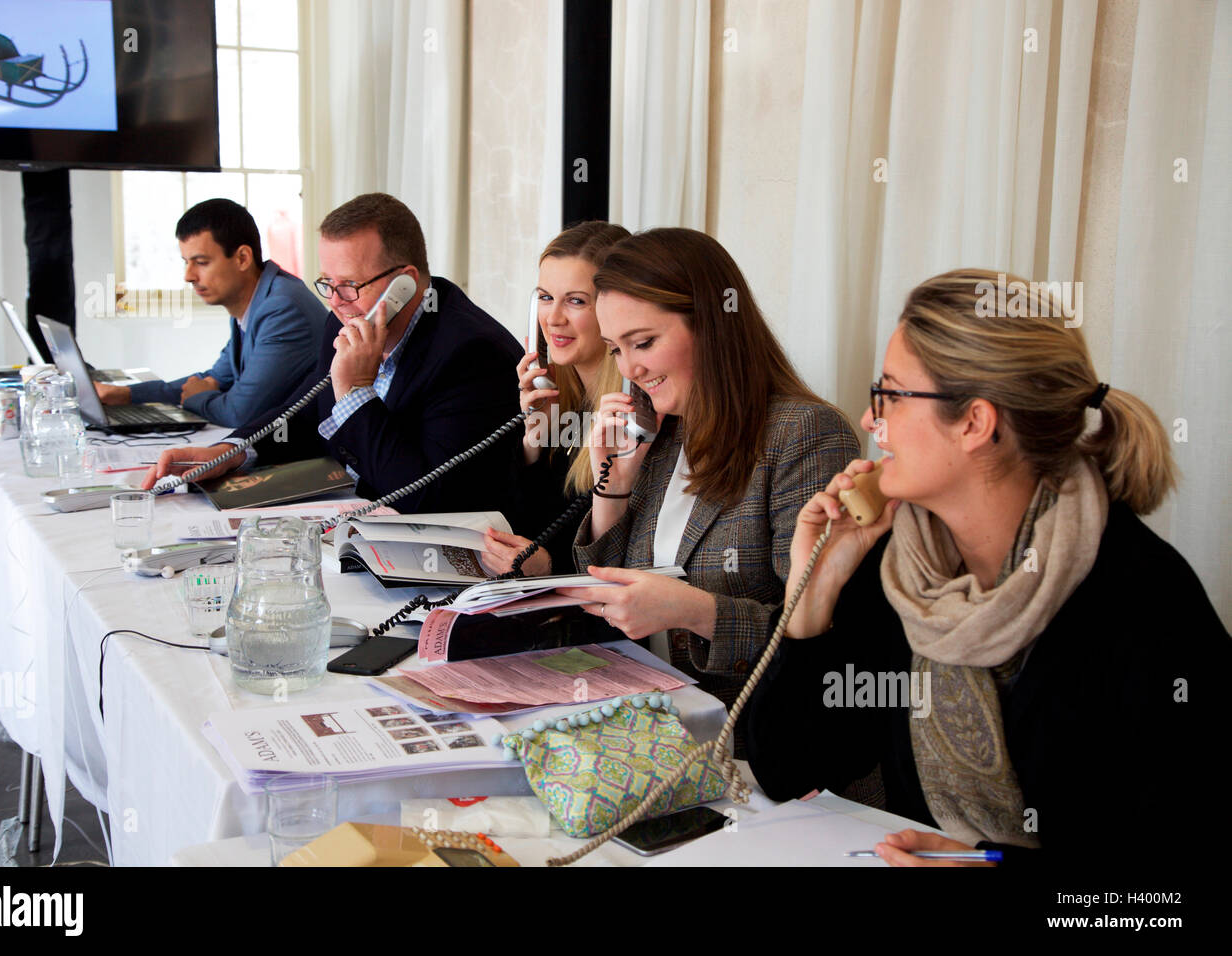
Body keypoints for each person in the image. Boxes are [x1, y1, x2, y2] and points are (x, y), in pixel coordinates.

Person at [745, 269, 1230, 866]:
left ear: (975, 422)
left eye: (891, 395)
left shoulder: (1144, 601)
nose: (871, 422)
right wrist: (813, 594)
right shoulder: (901, 567)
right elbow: (788, 769)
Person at [556, 228, 862, 711]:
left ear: (713, 326)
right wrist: (610, 489)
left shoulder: (802, 434)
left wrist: (697, 612)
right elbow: (608, 605)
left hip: (750, 741)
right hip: (647, 719)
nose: (629, 369)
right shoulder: (660, 433)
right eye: (617, 348)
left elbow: (823, 641)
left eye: (644, 342)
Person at [142, 193, 524, 520]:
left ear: (404, 283)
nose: (336, 303)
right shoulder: (344, 322)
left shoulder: (471, 353)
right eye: (328, 283)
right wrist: (230, 452)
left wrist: (357, 392)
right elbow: (305, 413)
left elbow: (423, 494)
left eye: (350, 285)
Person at [480, 221, 629, 578]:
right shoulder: (558, 399)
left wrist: (550, 566)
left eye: (576, 301)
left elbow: (626, 552)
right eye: (545, 298)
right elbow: (520, 528)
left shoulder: (630, 412)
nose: (553, 318)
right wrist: (534, 441)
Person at [96, 199, 324, 427]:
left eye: (201, 262)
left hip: (301, 453)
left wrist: (196, 397)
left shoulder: (282, 309)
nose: (188, 276)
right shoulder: (255, 302)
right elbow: (215, 379)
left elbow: (239, 413)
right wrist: (125, 394)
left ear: (242, 258)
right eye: (186, 262)